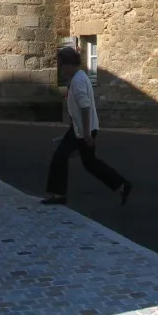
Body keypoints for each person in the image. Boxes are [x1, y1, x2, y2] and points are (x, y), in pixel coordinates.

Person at [42, 46, 132, 206]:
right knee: (89, 163)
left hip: (84, 130)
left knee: (64, 158)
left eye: (62, 65)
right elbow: (79, 109)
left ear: (69, 64)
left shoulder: (77, 81)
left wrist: (87, 135)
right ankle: (121, 185)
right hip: (82, 128)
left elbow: (85, 107)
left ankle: (59, 194)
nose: (61, 69)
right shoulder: (81, 76)